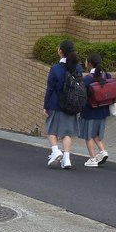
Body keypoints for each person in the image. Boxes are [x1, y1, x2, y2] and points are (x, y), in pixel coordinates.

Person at [43, 38, 82, 169]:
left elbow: (50, 88)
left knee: (51, 129)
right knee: (67, 133)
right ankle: (67, 160)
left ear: (61, 51)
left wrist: (45, 105)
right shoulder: (78, 68)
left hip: (55, 103)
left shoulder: (55, 68)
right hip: (71, 104)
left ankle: (55, 151)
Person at [79, 53, 113, 167]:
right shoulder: (107, 75)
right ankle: (103, 151)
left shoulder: (87, 79)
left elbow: (81, 95)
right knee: (96, 134)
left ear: (89, 64)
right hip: (103, 110)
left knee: (88, 135)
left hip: (89, 111)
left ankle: (92, 159)